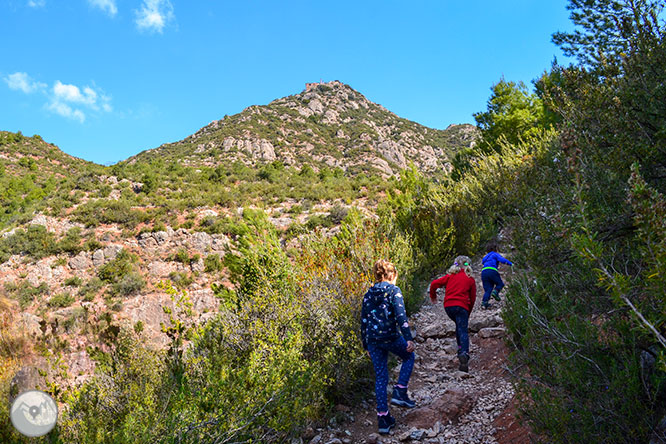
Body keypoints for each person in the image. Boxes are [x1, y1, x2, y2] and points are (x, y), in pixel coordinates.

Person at [361, 259, 416, 435]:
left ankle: (383, 419)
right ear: (391, 274)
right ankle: (400, 392)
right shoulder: (394, 291)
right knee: (409, 356)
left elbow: (363, 320)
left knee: (381, 377)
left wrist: (365, 345)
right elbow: (401, 317)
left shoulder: (368, 293)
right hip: (390, 336)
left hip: (373, 340)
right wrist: (409, 339)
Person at [429, 255, 476, 372]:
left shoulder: (450, 276)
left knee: (459, 327)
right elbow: (473, 298)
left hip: (449, 307)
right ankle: (464, 353)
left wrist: (433, 297)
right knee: (463, 329)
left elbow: (434, 284)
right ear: (468, 266)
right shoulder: (470, 279)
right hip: (462, 307)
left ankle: (460, 349)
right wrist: (468, 312)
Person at [480, 241, 513, 309]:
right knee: (500, 284)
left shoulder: (485, 257)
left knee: (488, 289)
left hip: (484, 272)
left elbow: (483, 262)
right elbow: (502, 260)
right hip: (492, 270)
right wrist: (510, 264)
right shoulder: (495, 254)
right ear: (495, 248)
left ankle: (484, 303)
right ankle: (495, 292)